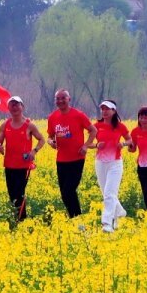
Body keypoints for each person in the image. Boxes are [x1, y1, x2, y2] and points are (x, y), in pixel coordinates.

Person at [45, 88, 93, 219]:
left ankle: (77, 219)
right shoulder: (53, 117)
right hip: (61, 160)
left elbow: (93, 131)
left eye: (63, 98)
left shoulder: (78, 115)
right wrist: (51, 142)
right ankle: (75, 218)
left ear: (69, 99)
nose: (60, 101)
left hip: (77, 159)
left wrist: (86, 145)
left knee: (69, 190)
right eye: (58, 99)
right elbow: (49, 136)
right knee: (64, 193)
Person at [0, 96, 45, 221]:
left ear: (22, 107)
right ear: (8, 108)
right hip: (9, 165)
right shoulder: (5, 125)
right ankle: (17, 218)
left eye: (17, 104)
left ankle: (22, 220)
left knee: (19, 194)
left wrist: (34, 151)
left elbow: (42, 139)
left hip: (23, 166)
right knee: (12, 194)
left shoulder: (29, 125)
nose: (14, 107)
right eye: (12, 105)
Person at [90, 99, 129, 232]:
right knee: (107, 194)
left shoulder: (120, 126)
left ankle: (107, 223)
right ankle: (120, 213)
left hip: (115, 163)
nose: (104, 111)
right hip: (100, 163)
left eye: (107, 109)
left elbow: (130, 140)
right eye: (103, 109)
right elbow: (87, 144)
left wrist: (122, 144)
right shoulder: (96, 126)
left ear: (114, 111)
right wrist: (96, 145)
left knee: (109, 193)